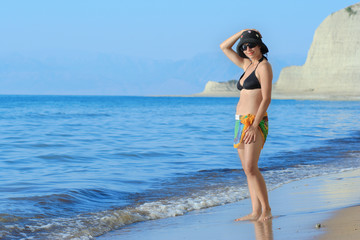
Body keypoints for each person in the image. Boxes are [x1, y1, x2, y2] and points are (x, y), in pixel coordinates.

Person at [220, 29, 273, 222]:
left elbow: (266, 98)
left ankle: (266, 209)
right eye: (244, 46)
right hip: (239, 122)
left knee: (251, 167)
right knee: (246, 169)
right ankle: (254, 211)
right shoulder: (246, 65)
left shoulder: (263, 67)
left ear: (260, 46)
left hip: (254, 121)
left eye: (251, 44)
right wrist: (241, 32)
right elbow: (223, 47)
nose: (248, 48)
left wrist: (254, 125)